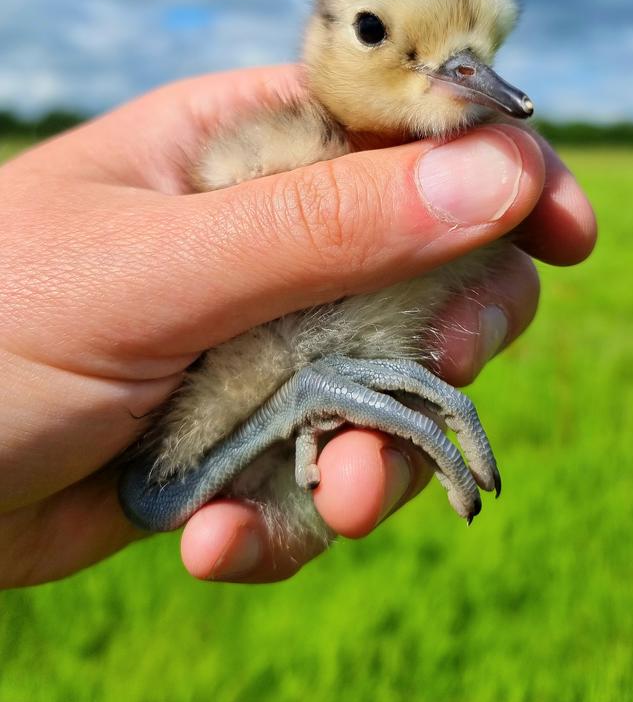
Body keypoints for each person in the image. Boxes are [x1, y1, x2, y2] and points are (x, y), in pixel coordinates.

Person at [0, 64, 596, 588]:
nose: (465, 71)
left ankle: (299, 401)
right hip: (216, 415)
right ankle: (300, 400)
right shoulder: (278, 145)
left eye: (481, 45)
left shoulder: (468, 172)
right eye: (375, 30)